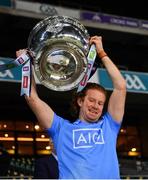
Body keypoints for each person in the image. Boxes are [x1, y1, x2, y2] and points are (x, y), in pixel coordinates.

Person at [16, 36, 126, 179]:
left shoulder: (109, 126)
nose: (96, 106)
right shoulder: (60, 129)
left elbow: (121, 87)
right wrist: (25, 66)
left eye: (100, 103)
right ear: (80, 101)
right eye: (92, 100)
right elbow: (32, 98)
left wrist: (101, 53)